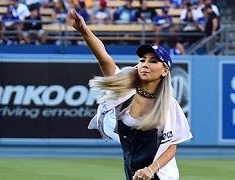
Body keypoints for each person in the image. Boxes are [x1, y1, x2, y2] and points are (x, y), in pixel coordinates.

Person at [66, 10, 192, 180]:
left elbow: (172, 146)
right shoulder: (123, 92)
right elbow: (104, 58)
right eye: (142, 60)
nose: (145, 64)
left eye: (153, 61)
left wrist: (151, 169)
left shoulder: (169, 105)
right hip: (133, 174)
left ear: (165, 70)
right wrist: (83, 30)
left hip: (162, 176)